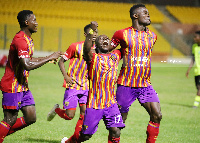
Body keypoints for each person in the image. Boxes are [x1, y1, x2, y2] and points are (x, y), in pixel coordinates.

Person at [0, 10, 62, 143]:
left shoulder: (28, 39)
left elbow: (29, 59)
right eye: (34, 20)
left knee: (31, 117)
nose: (37, 23)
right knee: (9, 119)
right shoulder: (20, 40)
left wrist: (47, 58)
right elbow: (27, 65)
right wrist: (49, 57)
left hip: (22, 86)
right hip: (12, 85)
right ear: (26, 23)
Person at [62, 21, 125, 143]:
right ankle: (69, 142)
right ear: (95, 45)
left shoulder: (115, 55)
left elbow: (127, 46)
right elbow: (86, 48)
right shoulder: (92, 57)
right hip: (94, 105)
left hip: (111, 103)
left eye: (107, 39)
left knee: (116, 131)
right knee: (86, 136)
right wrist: (92, 31)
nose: (105, 40)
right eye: (101, 39)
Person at [110, 4, 162, 143]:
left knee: (157, 114)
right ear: (135, 16)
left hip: (145, 84)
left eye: (148, 13)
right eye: (145, 13)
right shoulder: (121, 34)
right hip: (126, 85)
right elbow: (107, 51)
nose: (148, 15)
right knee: (118, 122)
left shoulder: (153, 36)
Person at [46, 23, 98, 138]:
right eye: (91, 32)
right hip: (73, 85)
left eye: (96, 32)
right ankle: (57, 110)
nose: (94, 34)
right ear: (85, 34)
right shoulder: (75, 46)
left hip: (87, 87)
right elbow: (61, 61)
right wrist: (66, 76)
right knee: (69, 115)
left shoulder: (98, 49)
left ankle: (74, 139)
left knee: (85, 114)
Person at [186, 30, 200, 108]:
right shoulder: (194, 46)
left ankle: (195, 104)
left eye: (196, 37)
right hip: (197, 71)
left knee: (199, 88)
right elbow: (193, 59)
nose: (194, 38)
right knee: (197, 87)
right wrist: (188, 70)